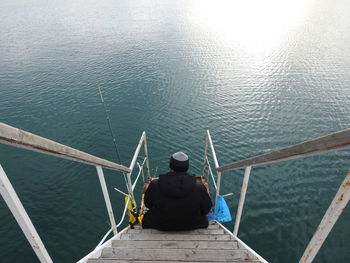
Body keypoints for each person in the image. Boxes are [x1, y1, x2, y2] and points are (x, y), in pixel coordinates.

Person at [142, 151, 212, 231]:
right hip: (193, 224)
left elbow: (148, 204)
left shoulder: (155, 184)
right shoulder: (199, 186)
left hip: (159, 224)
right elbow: (206, 208)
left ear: (170, 166)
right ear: (187, 167)